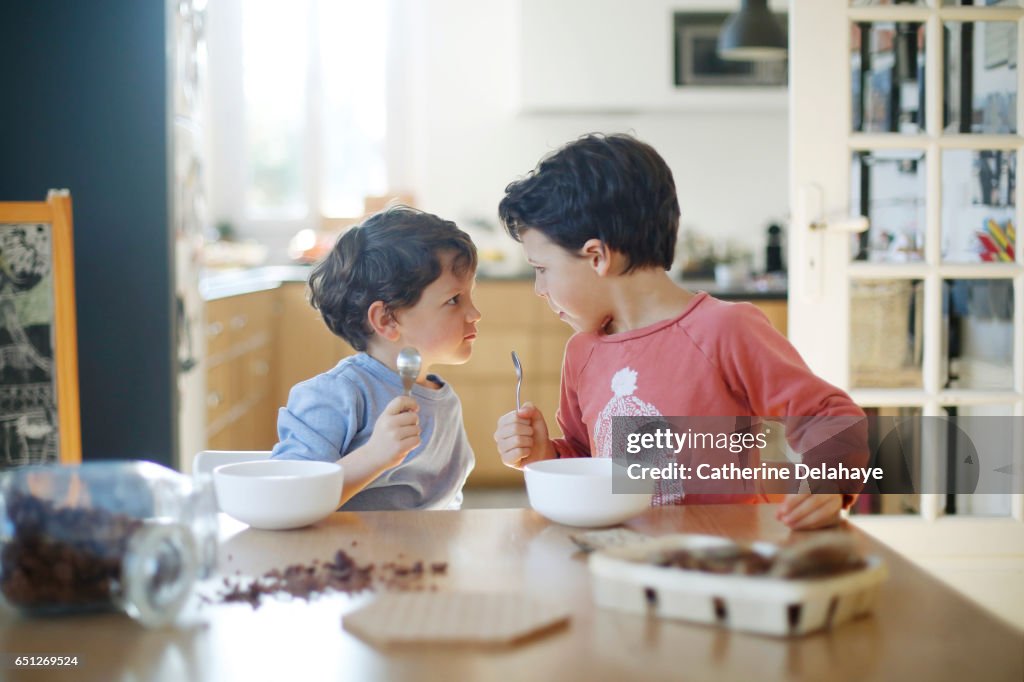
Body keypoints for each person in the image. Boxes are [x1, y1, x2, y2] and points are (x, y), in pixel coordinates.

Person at [493, 133, 868, 530]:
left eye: (541, 269)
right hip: (621, 560)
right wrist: (543, 455)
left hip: (723, 562)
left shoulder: (725, 329)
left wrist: (827, 481)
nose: (539, 290)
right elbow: (590, 463)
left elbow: (833, 416)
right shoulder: (582, 352)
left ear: (597, 256)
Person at [271, 206, 480, 510]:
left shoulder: (444, 399)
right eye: (453, 300)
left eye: (470, 296)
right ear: (387, 320)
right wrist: (374, 456)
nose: (475, 314)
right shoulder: (336, 394)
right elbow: (286, 498)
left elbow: (446, 504)